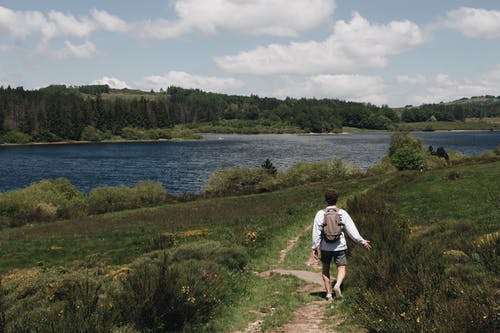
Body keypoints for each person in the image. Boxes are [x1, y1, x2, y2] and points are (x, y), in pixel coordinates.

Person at [312, 188, 371, 300]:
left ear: (326, 200)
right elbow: (352, 231)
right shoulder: (342, 213)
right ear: (337, 199)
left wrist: (314, 247)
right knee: (341, 268)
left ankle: (328, 294)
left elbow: (316, 232)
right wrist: (362, 241)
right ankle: (338, 285)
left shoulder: (320, 214)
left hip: (325, 247)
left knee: (325, 269)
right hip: (340, 246)